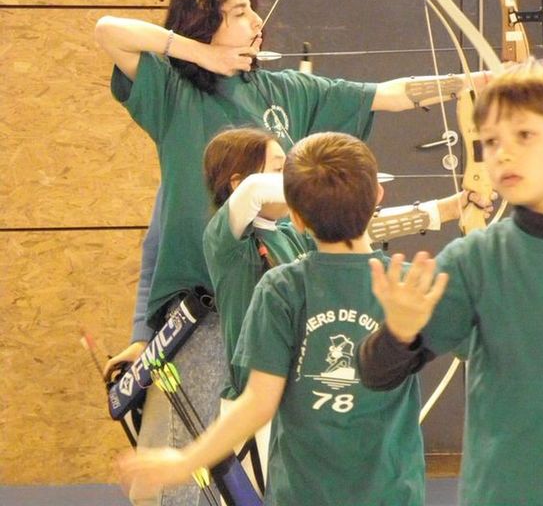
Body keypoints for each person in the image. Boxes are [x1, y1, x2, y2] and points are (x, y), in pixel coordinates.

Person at [96, 0, 487, 505]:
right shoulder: (172, 92)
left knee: (255, 469)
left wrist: (474, 81)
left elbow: (386, 100)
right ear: (202, 23)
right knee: (179, 490)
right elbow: (108, 30)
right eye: (238, 13)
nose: (257, 22)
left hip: (276, 310)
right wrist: (200, 56)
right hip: (199, 317)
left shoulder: (284, 92)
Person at [118, 132, 430, 506]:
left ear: (297, 216)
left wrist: (445, 209)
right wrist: (333, 184)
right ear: (377, 195)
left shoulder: (289, 251)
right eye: (277, 171)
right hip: (335, 470)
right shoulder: (237, 246)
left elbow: (260, 400)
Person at [358, 57, 543, 506]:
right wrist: (399, 332)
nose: (503, 154)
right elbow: (376, 373)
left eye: (524, 135)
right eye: (490, 141)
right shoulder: (475, 261)